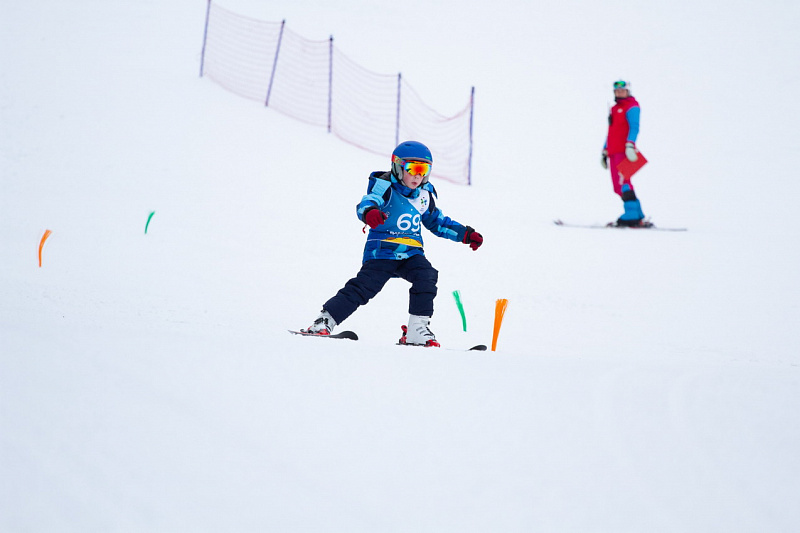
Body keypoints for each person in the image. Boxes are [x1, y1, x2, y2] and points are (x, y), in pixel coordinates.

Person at [302, 141, 483, 347]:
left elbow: (438, 222)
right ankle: (324, 321)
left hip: (411, 253)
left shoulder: (424, 195)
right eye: (413, 168)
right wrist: (370, 213)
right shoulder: (385, 187)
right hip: (383, 251)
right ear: (398, 167)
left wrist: (465, 234)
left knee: (427, 275)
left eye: (424, 170)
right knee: (365, 286)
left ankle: (416, 330)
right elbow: (367, 203)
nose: (418, 176)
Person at [601, 80, 645, 226]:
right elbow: (611, 131)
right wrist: (605, 150)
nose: (620, 93)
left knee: (623, 181)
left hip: (624, 151)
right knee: (617, 186)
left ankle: (631, 215)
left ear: (628, 92)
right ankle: (637, 214)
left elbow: (634, 127)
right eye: (617, 91)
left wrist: (630, 144)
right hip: (613, 151)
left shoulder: (632, 107)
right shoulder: (614, 109)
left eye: (622, 91)